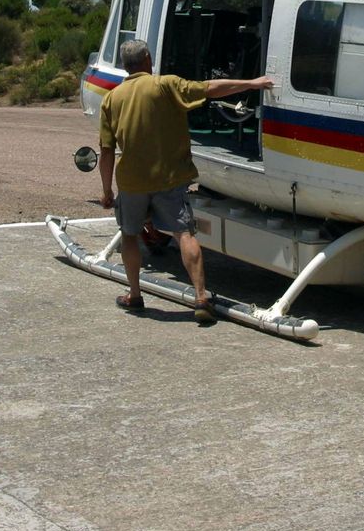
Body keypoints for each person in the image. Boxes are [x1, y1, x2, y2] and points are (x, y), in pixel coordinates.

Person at [97, 39, 274, 321]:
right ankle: (201, 298)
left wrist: (106, 191)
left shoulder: (111, 99)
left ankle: (135, 294)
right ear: (147, 60)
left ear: (124, 65)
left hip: (131, 182)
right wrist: (252, 83)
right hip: (169, 178)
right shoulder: (165, 85)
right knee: (184, 235)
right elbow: (211, 89)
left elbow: (106, 151)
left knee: (130, 236)